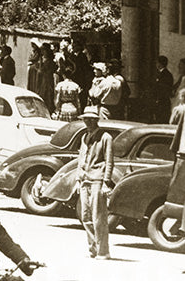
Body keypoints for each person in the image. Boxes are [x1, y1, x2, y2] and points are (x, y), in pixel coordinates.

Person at [76, 106, 115, 259]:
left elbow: (109, 161)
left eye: (91, 119)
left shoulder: (106, 137)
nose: (88, 122)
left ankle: (103, 251)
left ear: (96, 120)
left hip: (97, 179)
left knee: (98, 216)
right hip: (85, 179)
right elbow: (81, 158)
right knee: (85, 216)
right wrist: (78, 179)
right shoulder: (84, 137)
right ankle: (93, 247)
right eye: (86, 119)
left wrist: (106, 182)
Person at [151, 55, 175, 124]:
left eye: (157, 63)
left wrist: (157, 99)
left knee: (161, 120)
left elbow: (163, 89)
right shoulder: (162, 73)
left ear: (159, 64)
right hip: (160, 101)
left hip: (162, 102)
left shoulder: (165, 75)